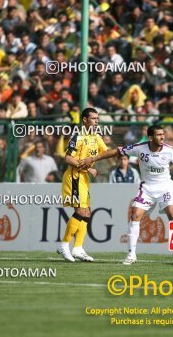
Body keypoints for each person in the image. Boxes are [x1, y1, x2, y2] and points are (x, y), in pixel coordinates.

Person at [80, 125, 173, 266]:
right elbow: (116, 151)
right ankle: (131, 255)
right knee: (135, 215)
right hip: (147, 188)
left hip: (165, 188)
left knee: (172, 214)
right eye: (158, 135)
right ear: (150, 137)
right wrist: (93, 158)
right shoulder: (140, 148)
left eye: (162, 134)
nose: (162, 137)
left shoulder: (170, 151)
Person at [57, 108, 107, 262]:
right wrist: (89, 167)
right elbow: (68, 158)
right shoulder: (78, 136)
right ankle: (64, 245)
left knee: (87, 213)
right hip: (74, 177)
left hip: (84, 179)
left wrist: (126, 154)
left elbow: (106, 152)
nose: (97, 121)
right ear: (85, 120)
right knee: (80, 211)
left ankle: (78, 248)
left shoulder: (96, 137)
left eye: (98, 118)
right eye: (93, 118)